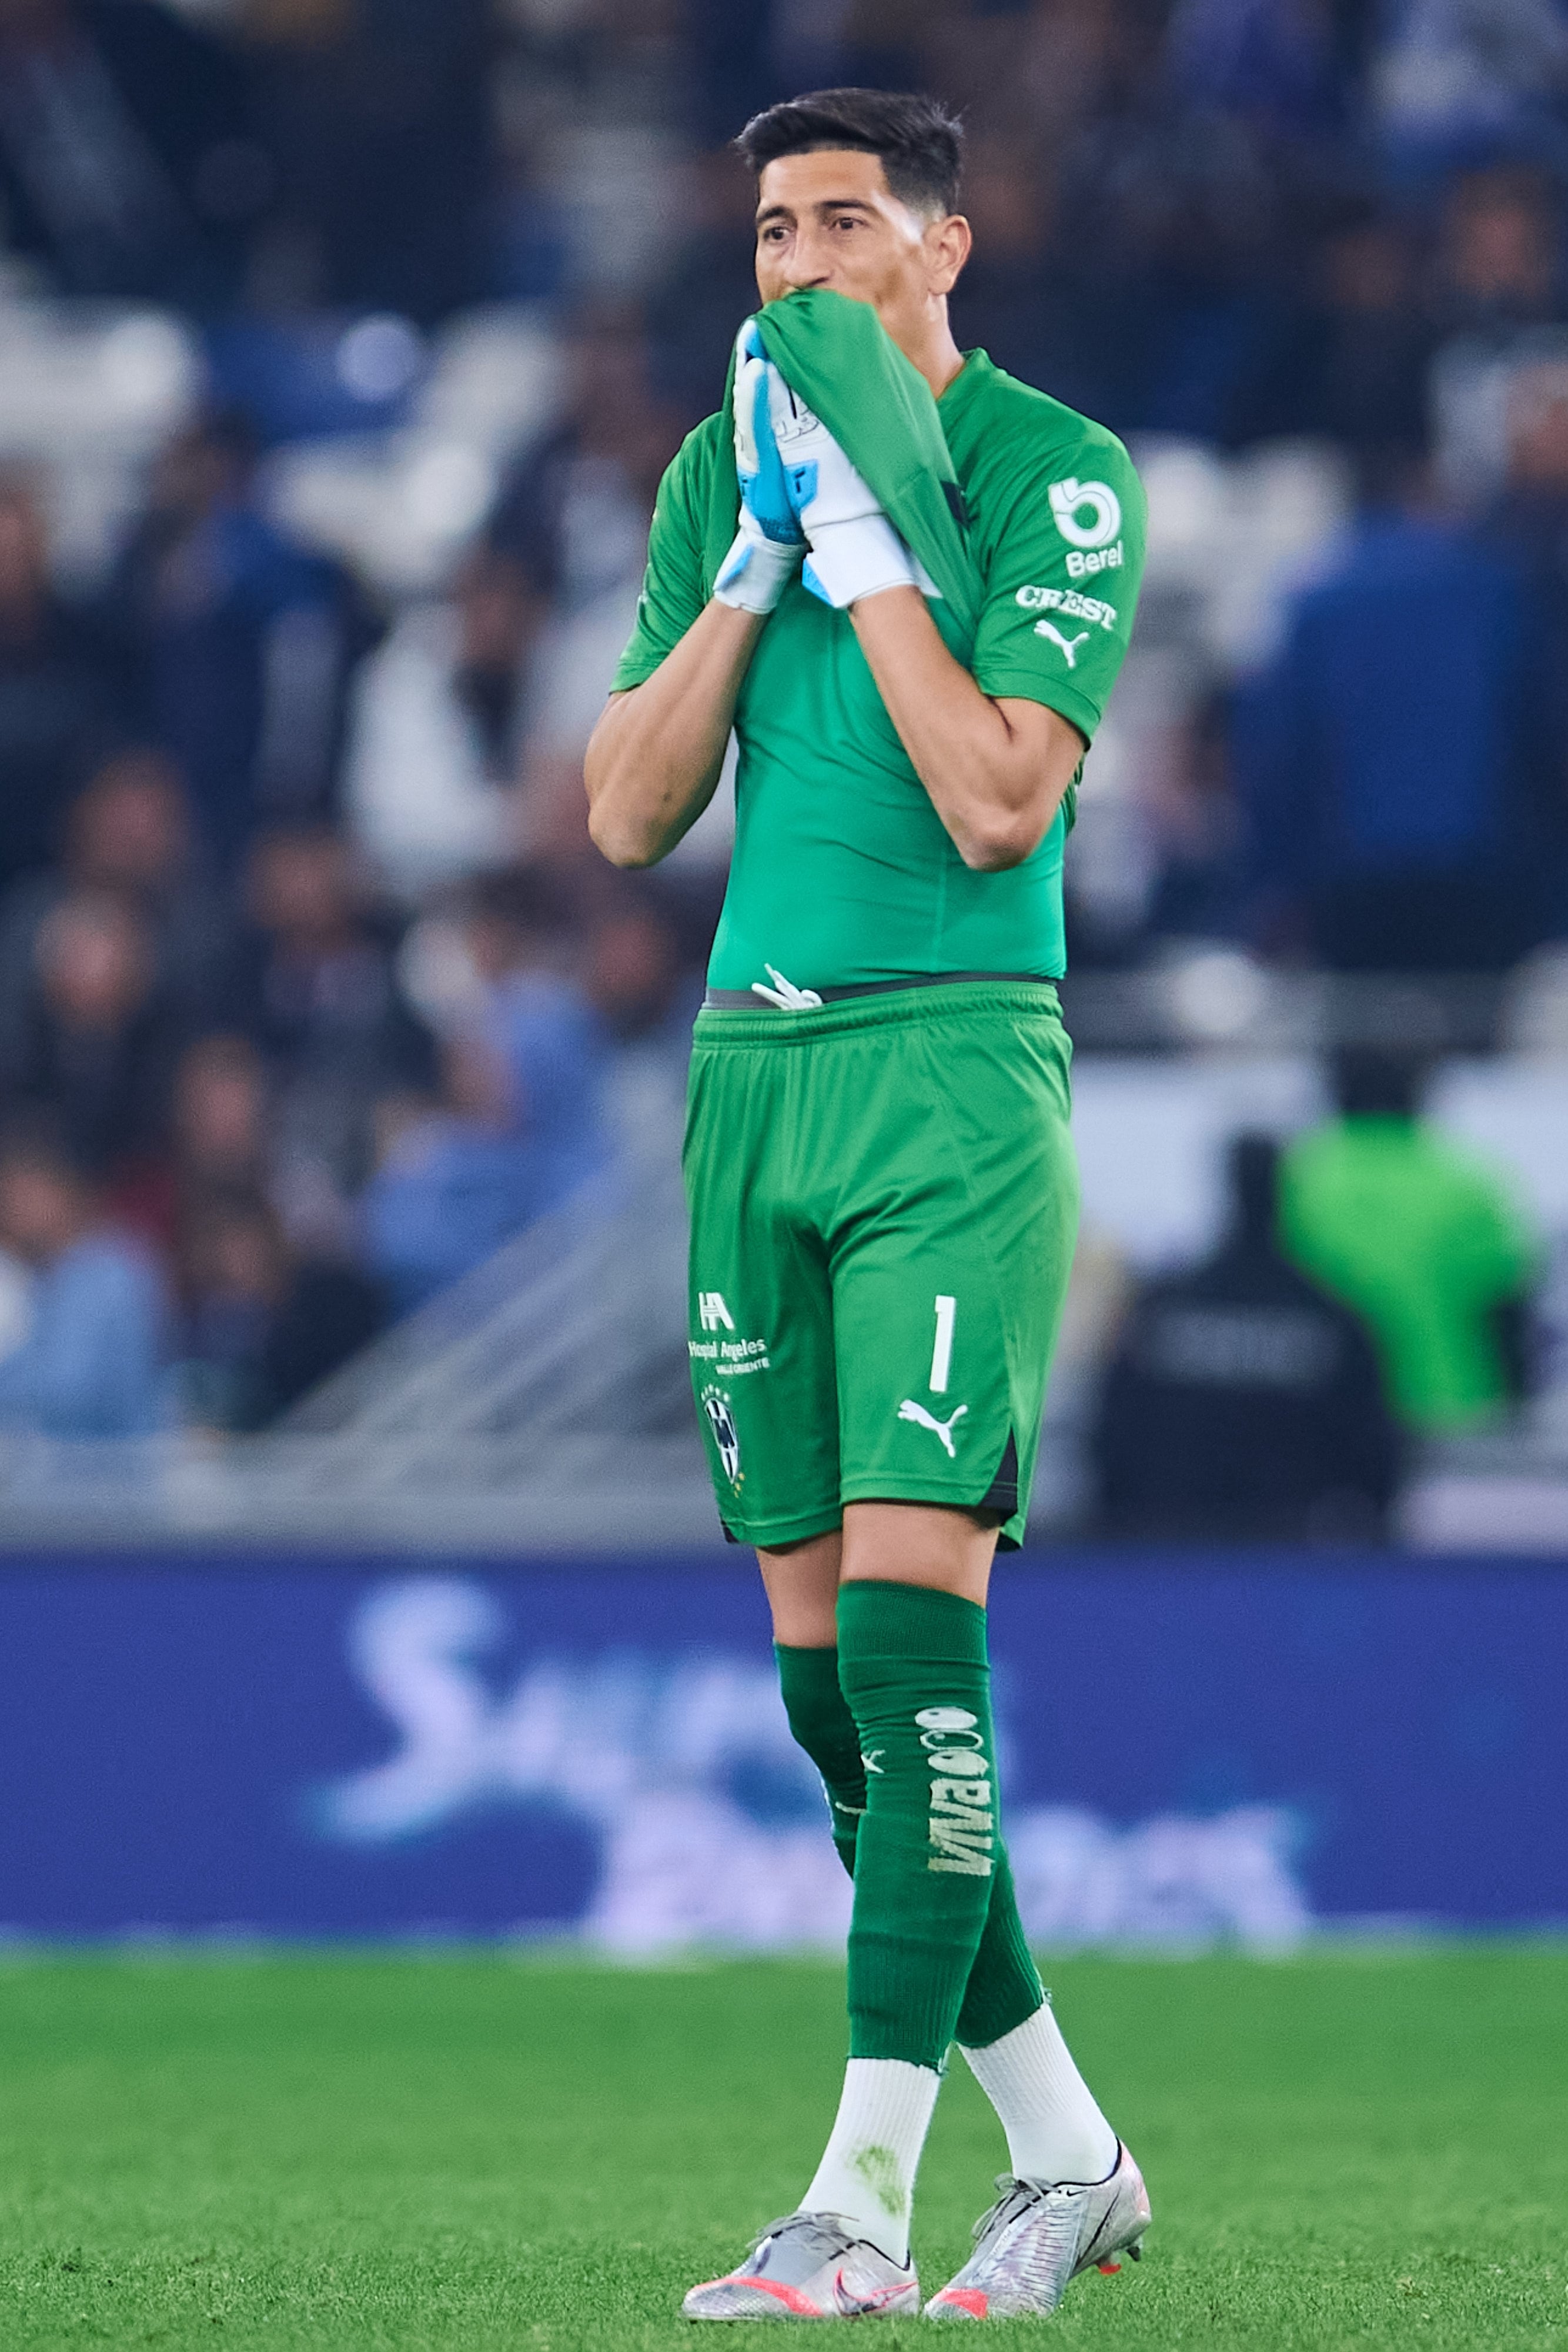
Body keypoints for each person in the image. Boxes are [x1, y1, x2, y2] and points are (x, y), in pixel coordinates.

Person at [585, 88, 1149, 2324]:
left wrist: (874, 551)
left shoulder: (1055, 469)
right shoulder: (712, 475)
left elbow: (1003, 797)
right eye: (766, 231)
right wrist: (746, 571)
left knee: (916, 1656)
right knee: (834, 1708)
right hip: (754, 1075)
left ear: (943, 252)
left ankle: (850, 2201)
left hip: (945, 1076)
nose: (793, 263)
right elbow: (626, 811)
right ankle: (1075, 2156)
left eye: (840, 223)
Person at [1094, 1133, 1403, 1539]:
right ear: (1284, 1192)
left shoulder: (1161, 1311)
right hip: (1293, 1565)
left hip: (1169, 1557)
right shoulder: (1332, 1318)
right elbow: (1376, 1467)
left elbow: (1109, 1444)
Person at [1280, 1048, 1539, 1434]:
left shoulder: (1296, 1179)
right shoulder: (1466, 1183)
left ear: (1333, 1096)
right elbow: (1506, 1306)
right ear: (1420, 1098)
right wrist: (1517, 1404)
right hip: (1450, 1404)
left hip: (1323, 1407)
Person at [0, 1124, 166, 1436]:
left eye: (17, 1197)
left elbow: (67, 1390)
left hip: (115, 1475)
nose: (8, 1213)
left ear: (57, 1192)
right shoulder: (52, 1276)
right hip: (70, 1476)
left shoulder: (108, 1271)